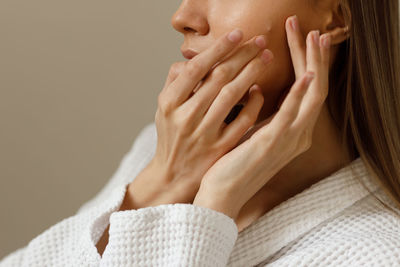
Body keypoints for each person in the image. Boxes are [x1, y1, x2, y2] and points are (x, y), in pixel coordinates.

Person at [1, 0, 400, 266]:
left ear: (336, 18)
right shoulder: (161, 152)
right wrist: (161, 181)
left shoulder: (375, 253)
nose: (184, 16)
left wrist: (213, 206)